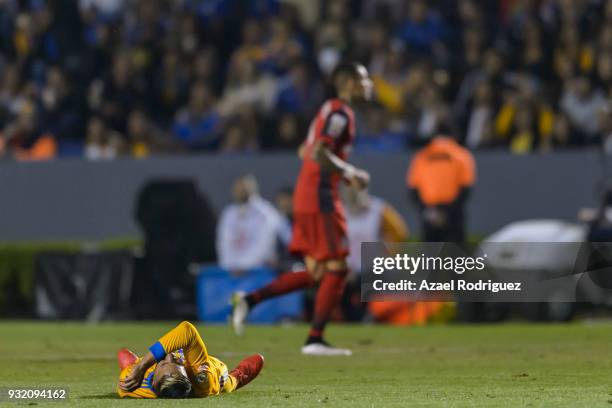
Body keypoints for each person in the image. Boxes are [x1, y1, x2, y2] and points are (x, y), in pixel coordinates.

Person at [231, 62, 372, 356]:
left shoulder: (328, 110)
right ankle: (315, 339)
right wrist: (350, 173)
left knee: (318, 270)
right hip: (320, 195)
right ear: (346, 82)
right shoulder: (339, 113)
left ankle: (249, 300)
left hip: (309, 192)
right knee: (339, 266)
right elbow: (319, 152)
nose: (368, 85)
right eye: (363, 79)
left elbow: (304, 150)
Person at [117, 321, 264, 399]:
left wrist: (140, 366)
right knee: (228, 381)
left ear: (154, 382)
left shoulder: (138, 388)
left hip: (140, 369)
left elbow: (123, 387)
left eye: (163, 364)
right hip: (214, 372)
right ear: (187, 377)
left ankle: (134, 361)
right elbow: (186, 330)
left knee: (124, 358)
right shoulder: (203, 380)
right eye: (176, 363)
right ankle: (237, 378)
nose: (171, 356)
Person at [407, 132, 476, 243]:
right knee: (455, 256)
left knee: (431, 256)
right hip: (453, 214)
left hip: (430, 213)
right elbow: (465, 189)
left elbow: (414, 190)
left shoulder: (421, 156)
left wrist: (429, 212)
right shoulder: (462, 155)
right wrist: (447, 213)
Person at [216, 174, 282, 273]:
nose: (239, 192)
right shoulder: (228, 213)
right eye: (237, 189)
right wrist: (229, 266)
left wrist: (245, 267)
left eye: (243, 189)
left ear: (252, 189)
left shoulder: (265, 213)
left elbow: (265, 246)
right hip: (232, 272)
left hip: (258, 272)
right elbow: (223, 243)